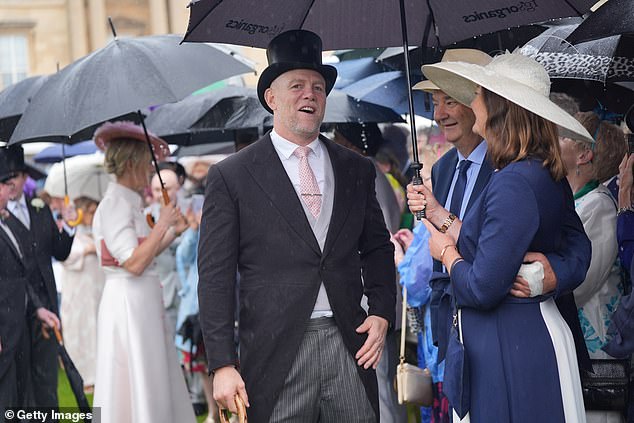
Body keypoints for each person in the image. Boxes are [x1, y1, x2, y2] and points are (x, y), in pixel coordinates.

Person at [198, 30, 395, 423]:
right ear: (271, 97)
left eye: (318, 87)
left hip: (349, 345)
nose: (310, 94)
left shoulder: (356, 169)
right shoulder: (232, 176)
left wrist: (382, 310)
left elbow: (377, 247)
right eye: (298, 85)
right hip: (275, 354)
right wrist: (222, 364)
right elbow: (215, 276)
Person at [408, 51, 594, 422]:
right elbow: (489, 243)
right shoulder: (540, 170)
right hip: (503, 340)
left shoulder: (514, 180)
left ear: (497, 107)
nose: (470, 99)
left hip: (512, 343)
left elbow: (482, 286)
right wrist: (438, 215)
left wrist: (446, 254)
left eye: (477, 92)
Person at [91, 121, 194, 423]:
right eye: (148, 163)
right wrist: (162, 223)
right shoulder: (113, 205)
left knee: (152, 371)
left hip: (143, 302)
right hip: (127, 305)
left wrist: (174, 231)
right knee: (134, 375)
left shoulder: (130, 203)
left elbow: (144, 255)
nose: (152, 170)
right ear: (131, 163)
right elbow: (134, 264)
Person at [559, 111, 627, 423]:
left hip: (596, 353)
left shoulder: (599, 207)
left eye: (563, 137)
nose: (554, 143)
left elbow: (579, 282)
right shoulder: (577, 204)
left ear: (584, 154)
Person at [4, 144, 75, 411]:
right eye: (5, 179)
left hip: (47, 307)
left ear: (24, 177)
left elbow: (60, 252)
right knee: (21, 384)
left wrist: (68, 224)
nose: (11, 184)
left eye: (15, 177)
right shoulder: (1, 217)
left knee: (46, 380)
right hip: (17, 313)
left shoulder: (40, 208)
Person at [59, 196, 104, 393]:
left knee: (99, 331)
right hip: (78, 296)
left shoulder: (97, 232)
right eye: (90, 211)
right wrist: (87, 249)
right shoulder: (70, 233)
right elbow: (66, 256)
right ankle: (84, 377)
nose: (92, 216)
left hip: (97, 292)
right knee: (81, 334)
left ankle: (101, 374)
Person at [0, 149, 28, 412]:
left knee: (17, 401)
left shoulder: (5, 222)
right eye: (3, 185)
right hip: (4, 331)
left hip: (17, 326)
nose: (9, 191)